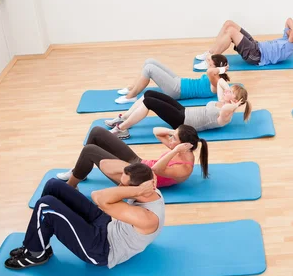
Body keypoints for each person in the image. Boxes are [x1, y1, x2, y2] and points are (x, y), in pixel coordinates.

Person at [4, 164, 165, 269]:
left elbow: (98, 197)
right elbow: (109, 171)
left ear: (139, 189)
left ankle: (35, 254)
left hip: (101, 249)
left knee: (46, 205)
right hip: (106, 225)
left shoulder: (146, 217)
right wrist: (138, 186)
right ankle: (40, 244)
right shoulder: (151, 189)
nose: (119, 187)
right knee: (53, 185)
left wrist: (135, 191)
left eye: (124, 185)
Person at [56, 125, 208, 188]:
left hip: (136, 178)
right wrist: (174, 134)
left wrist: (174, 150)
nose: (170, 139)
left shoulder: (183, 168)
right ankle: (79, 172)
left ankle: (71, 186)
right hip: (138, 162)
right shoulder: (181, 148)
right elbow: (156, 131)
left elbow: (156, 168)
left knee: (89, 150)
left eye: (174, 138)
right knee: (97, 132)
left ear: (183, 144)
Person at [105, 84, 251, 139]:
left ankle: (122, 130)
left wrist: (236, 104)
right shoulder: (221, 101)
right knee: (149, 93)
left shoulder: (227, 114)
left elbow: (228, 108)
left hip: (182, 121)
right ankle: (123, 118)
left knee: (148, 102)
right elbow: (220, 82)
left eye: (230, 91)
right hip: (183, 111)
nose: (227, 90)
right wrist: (229, 92)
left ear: (235, 101)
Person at [193, 18, 293, 70]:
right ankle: (210, 52)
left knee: (231, 32)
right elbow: (289, 20)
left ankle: (211, 61)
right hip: (256, 46)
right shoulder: (286, 39)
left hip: (256, 56)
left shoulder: (290, 47)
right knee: (229, 24)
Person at [114, 55, 230, 104]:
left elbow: (210, 71)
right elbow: (211, 66)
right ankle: (133, 88)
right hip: (179, 81)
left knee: (149, 69)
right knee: (150, 61)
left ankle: (131, 96)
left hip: (177, 90)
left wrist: (223, 69)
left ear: (216, 68)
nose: (207, 62)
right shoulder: (214, 74)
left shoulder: (216, 81)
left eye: (210, 62)